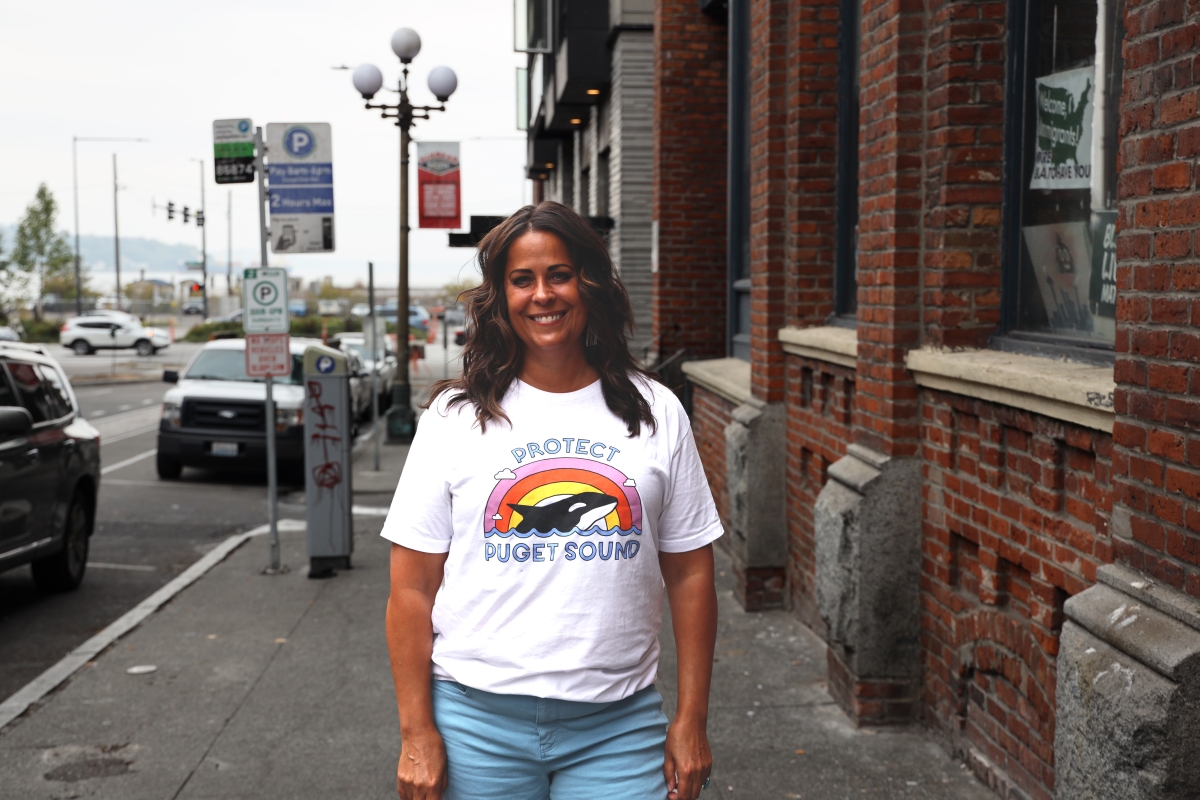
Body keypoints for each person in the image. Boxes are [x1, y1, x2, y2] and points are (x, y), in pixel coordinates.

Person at [382, 201, 721, 800]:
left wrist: (691, 720)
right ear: (501, 296)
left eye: (559, 274)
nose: (543, 294)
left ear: (590, 282)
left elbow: (691, 572)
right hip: (475, 720)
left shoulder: (656, 411)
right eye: (522, 279)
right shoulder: (454, 418)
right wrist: (417, 732)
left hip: (618, 722)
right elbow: (411, 589)